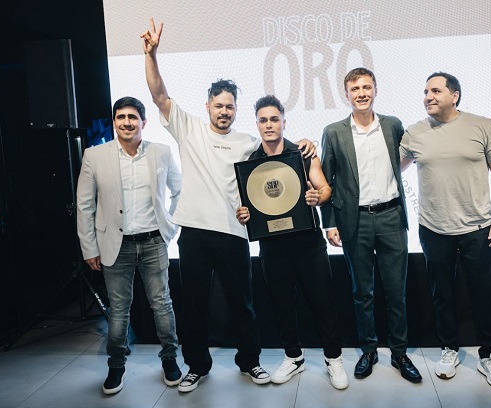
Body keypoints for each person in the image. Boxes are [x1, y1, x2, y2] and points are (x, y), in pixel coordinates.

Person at [140, 19, 316, 392]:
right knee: (194, 305)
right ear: (207, 106)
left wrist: (307, 144)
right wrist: (151, 55)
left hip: (235, 232)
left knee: (243, 305)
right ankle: (197, 367)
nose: (224, 112)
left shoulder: (248, 142)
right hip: (194, 232)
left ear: (236, 110)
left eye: (230, 107)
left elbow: (277, 149)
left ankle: (250, 362)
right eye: (219, 106)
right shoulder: (188, 128)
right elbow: (158, 95)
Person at [399, 72, 491, 390]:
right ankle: (449, 348)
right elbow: (390, 168)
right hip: (433, 228)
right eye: (425, 91)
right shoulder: (415, 133)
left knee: (484, 294)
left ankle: (488, 355)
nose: (428, 97)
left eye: (436, 91)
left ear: (455, 95)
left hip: (479, 228)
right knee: (442, 294)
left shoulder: (483, 126)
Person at [236, 95, 349, 390]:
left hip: (307, 242)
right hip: (272, 246)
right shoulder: (250, 162)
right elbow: (250, 205)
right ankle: (294, 357)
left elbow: (325, 189)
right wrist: (244, 214)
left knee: (323, 302)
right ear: (257, 124)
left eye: (274, 119)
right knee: (282, 305)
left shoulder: (303, 152)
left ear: (284, 122)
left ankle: (333, 358)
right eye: (263, 120)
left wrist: (316, 197)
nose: (269, 125)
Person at [320, 67, 422, 383]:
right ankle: (368, 350)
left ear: (375, 90)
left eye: (366, 87)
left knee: (396, 292)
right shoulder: (334, 132)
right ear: (346, 94)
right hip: (355, 221)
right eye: (355, 89)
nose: (361, 93)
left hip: (391, 216)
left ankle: (400, 353)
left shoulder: (392, 125)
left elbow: (405, 159)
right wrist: (329, 223)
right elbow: (326, 178)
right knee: (361, 292)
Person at [76, 96, 182, 395]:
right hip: (115, 244)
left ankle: (170, 359)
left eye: (132, 117)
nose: (126, 122)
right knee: (119, 309)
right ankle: (116, 365)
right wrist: (89, 248)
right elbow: (84, 205)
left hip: (153, 242)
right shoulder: (94, 155)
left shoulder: (161, 152)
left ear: (143, 122)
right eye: (121, 117)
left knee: (162, 304)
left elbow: (180, 190)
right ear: (114, 122)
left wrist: (170, 226)